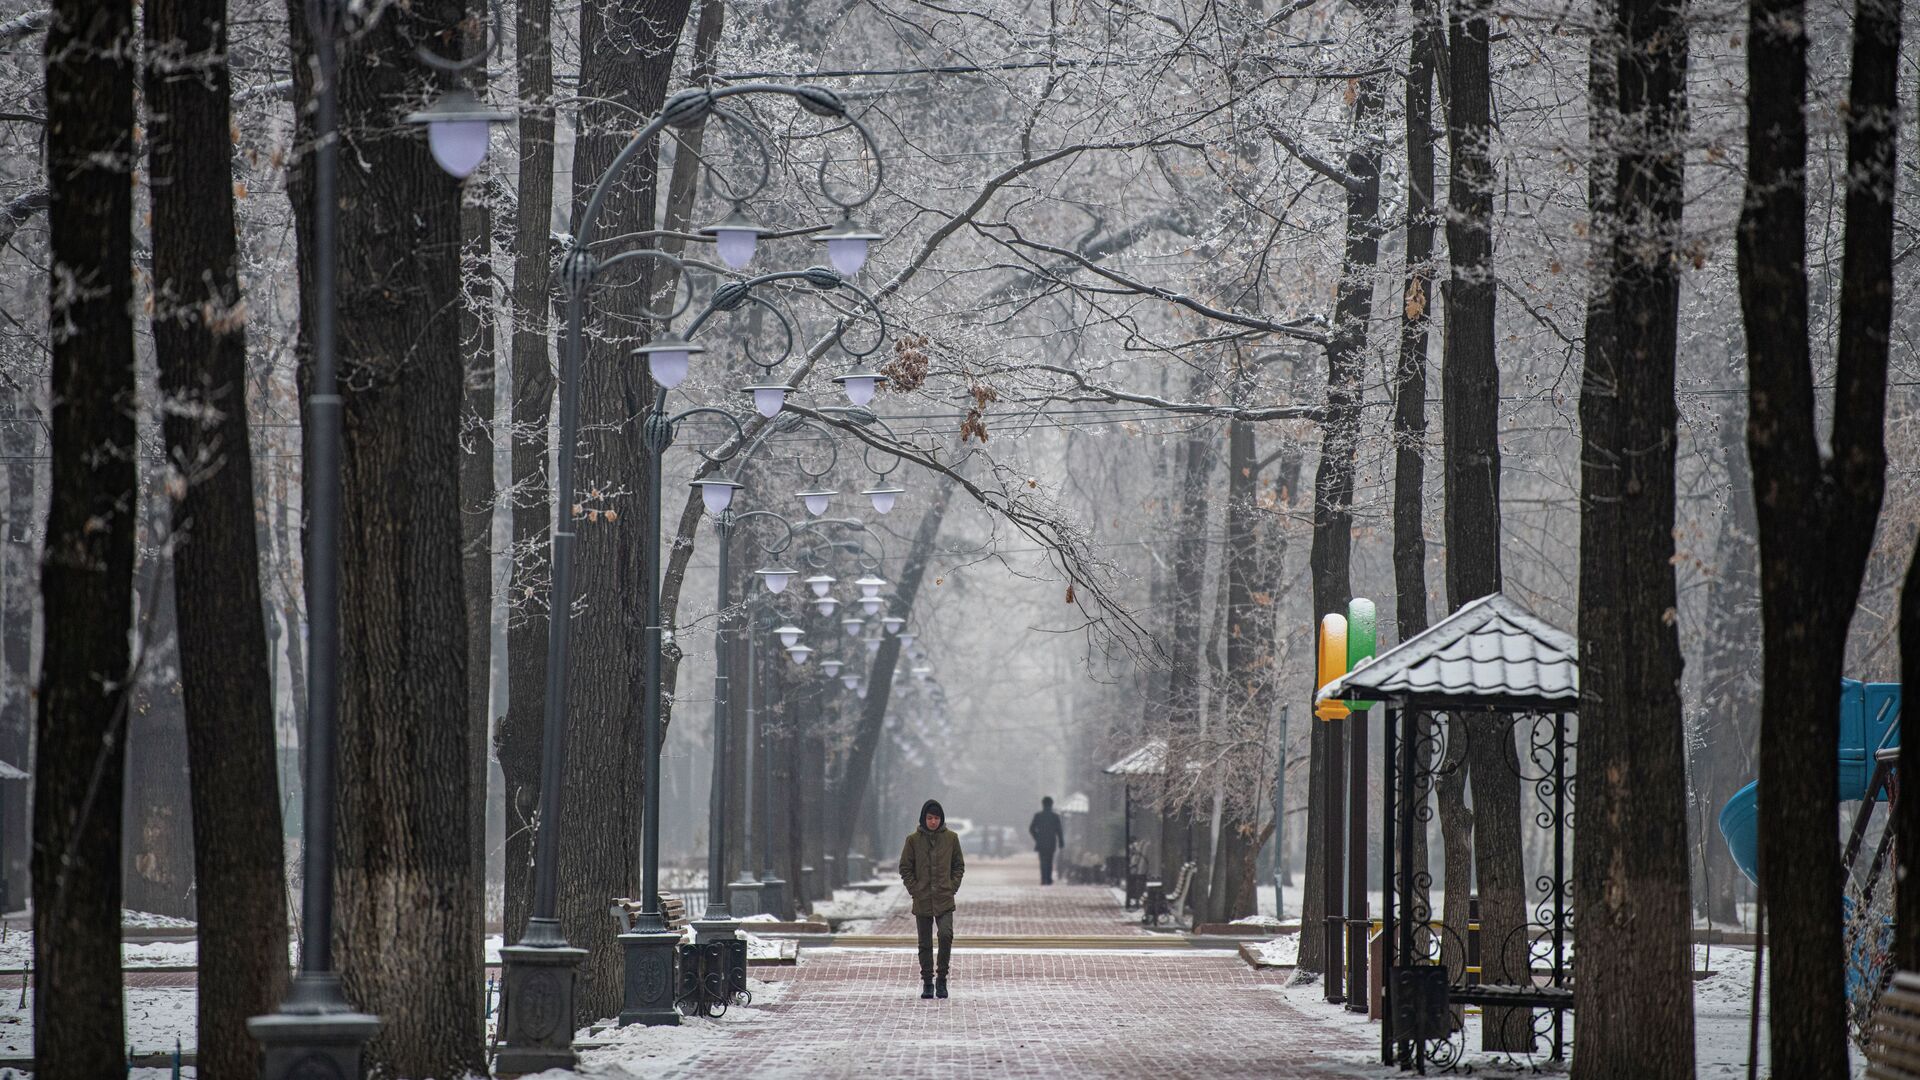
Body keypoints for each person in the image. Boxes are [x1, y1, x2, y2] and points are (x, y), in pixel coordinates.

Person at [899, 798, 964, 999]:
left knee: (946, 935)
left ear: (941, 819)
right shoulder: (913, 840)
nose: (933, 822)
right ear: (923, 818)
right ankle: (927, 982)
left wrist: (952, 886)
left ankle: (941, 979)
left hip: (944, 897)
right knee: (924, 943)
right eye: (929, 818)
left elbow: (958, 866)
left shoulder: (951, 838)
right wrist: (915, 889)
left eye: (936, 818)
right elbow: (905, 867)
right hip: (923, 898)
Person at [1029, 796, 1064, 885]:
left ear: (1043, 804)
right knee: (1049, 860)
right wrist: (1061, 841)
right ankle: (1048, 878)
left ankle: (1043, 878)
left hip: (1041, 842)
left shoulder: (1038, 816)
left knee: (1043, 861)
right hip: (1051, 842)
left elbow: (1031, 829)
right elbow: (1059, 830)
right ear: (1051, 804)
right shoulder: (1055, 817)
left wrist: (1037, 837)